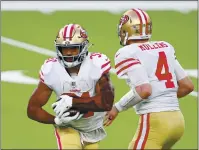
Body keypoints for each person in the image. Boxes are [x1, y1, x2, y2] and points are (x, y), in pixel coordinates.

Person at [104, 8, 194, 149]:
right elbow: (187, 86)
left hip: (156, 121)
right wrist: (165, 98)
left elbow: (144, 90)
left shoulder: (127, 52)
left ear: (126, 30)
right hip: (178, 120)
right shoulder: (165, 47)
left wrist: (117, 107)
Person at [27, 23, 114, 149]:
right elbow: (33, 109)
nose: (68, 52)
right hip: (68, 128)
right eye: (63, 48)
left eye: (73, 48)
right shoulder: (52, 69)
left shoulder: (96, 64)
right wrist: (56, 121)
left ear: (83, 47)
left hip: (93, 129)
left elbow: (106, 102)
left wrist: (73, 102)